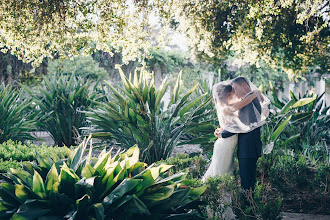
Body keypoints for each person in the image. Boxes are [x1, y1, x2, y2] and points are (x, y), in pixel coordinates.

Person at [214, 76, 269, 192]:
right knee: (243, 180)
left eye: (234, 89)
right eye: (231, 92)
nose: (234, 93)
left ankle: (248, 207)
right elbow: (237, 125)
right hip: (245, 149)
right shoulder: (246, 100)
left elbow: (244, 127)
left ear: (243, 85)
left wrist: (223, 132)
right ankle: (247, 205)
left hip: (248, 149)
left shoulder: (250, 101)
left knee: (247, 181)